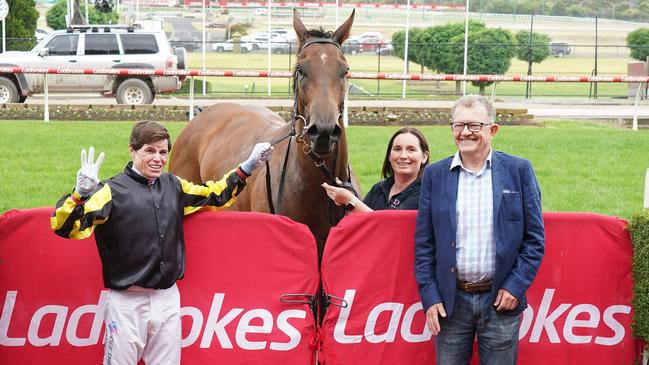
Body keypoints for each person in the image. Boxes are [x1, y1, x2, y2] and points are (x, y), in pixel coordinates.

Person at [50, 120, 272, 365]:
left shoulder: (174, 186)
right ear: (132, 151)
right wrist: (79, 194)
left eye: (163, 152)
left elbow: (215, 194)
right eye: (150, 151)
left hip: (167, 299)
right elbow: (66, 228)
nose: (158, 158)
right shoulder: (110, 191)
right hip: (126, 303)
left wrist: (247, 166)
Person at [414, 95, 545, 364]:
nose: (465, 132)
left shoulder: (519, 171)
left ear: (492, 129)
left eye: (474, 126)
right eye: (458, 125)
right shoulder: (435, 176)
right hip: (450, 303)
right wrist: (430, 295)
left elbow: (534, 239)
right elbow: (424, 244)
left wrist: (514, 287)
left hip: (500, 300)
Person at [321, 127, 429, 212]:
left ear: (424, 157)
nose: (403, 155)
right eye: (397, 149)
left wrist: (351, 200)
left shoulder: (426, 193)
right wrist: (346, 194)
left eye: (411, 150)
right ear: (389, 156)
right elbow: (360, 218)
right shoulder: (379, 188)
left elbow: (389, 226)